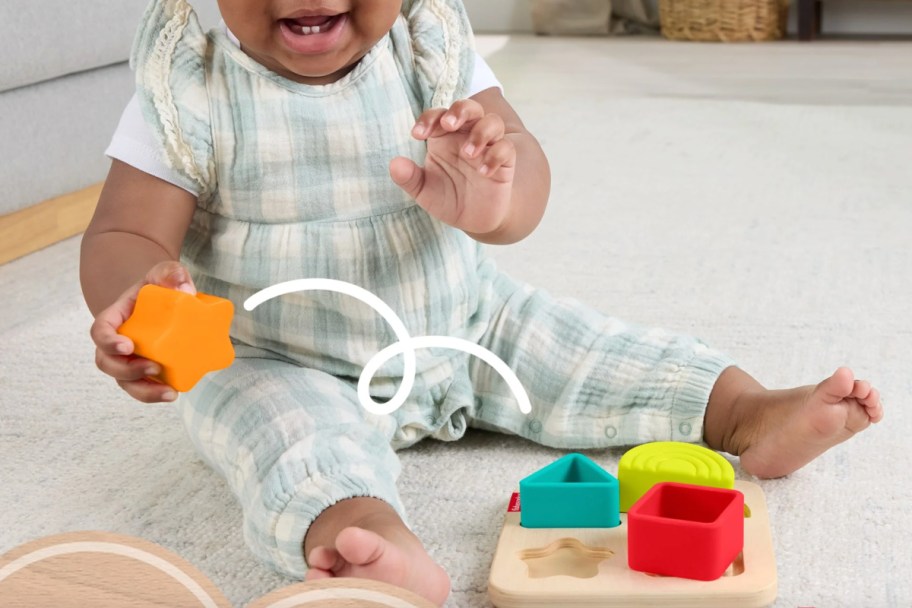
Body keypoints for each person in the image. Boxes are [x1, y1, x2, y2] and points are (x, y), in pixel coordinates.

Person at [79, 0, 884, 604]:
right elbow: (123, 229)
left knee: (590, 349)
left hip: (465, 319)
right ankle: (371, 542)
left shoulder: (430, 45)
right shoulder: (189, 78)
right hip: (280, 357)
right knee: (285, 436)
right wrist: (137, 297)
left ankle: (744, 410)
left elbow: (523, 181)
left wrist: (493, 201)